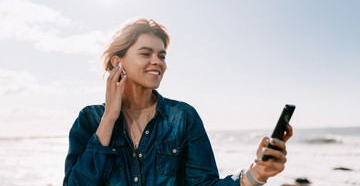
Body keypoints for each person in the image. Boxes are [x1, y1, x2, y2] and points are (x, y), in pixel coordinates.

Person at [63, 18, 293, 186]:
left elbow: (204, 185)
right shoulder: (90, 119)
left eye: (161, 56)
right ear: (117, 62)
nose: (158, 62)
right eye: (146, 53)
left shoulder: (183, 117)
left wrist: (258, 173)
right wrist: (109, 119)